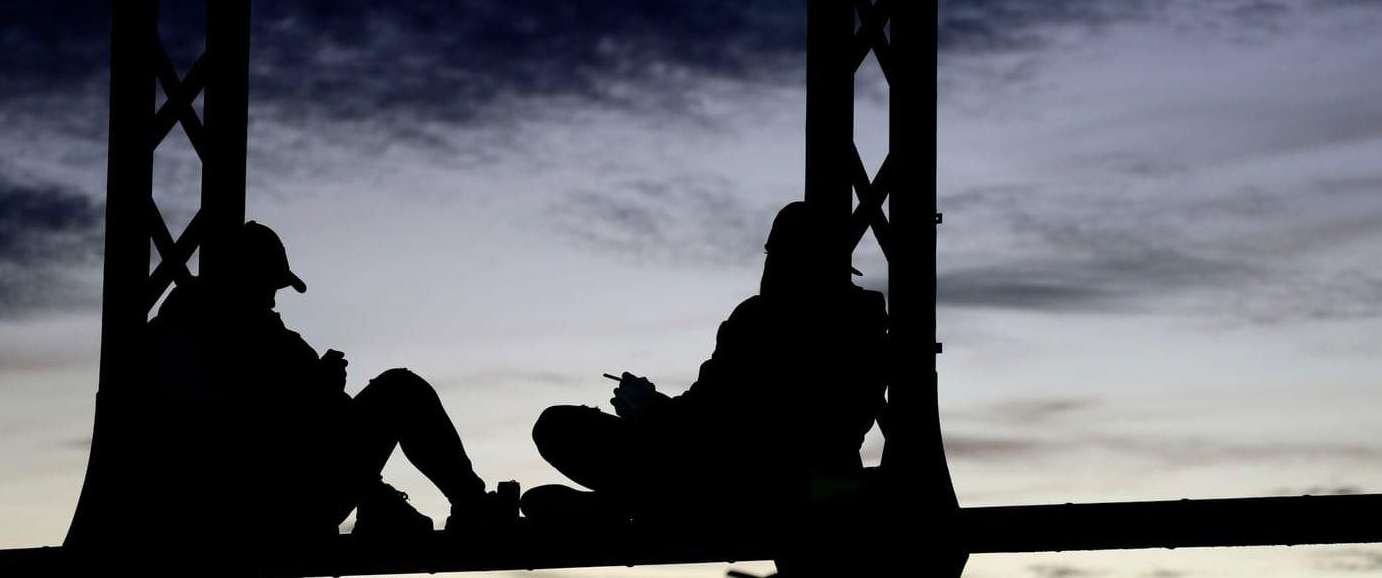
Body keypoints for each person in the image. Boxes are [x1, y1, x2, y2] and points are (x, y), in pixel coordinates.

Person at [145, 221, 516, 542]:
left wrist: (321, 394)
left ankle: (383, 503)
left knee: (386, 394)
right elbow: (227, 427)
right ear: (244, 276)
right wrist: (315, 391)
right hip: (253, 505)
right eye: (269, 284)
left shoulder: (265, 336)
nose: (274, 298)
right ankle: (468, 504)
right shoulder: (188, 337)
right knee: (401, 391)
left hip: (286, 492)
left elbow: (324, 417)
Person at [522, 201, 888, 519]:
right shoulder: (865, 322)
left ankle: (626, 503)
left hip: (746, 480)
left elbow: (719, 423)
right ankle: (629, 502)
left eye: (774, 255)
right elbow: (712, 413)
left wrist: (650, 411)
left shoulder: (760, 321)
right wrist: (657, 411)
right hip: (814, 483)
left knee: (557, 425)